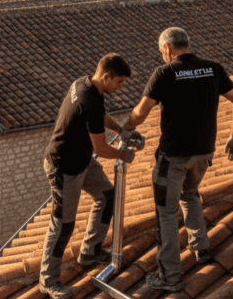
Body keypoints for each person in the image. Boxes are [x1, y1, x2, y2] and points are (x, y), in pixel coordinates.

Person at [127, 27, 233, 293]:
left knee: (166, 212)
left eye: (161, 51)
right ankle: (201, 248)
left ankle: (169, 277)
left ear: (167, 48)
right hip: (204, 153)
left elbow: (141, 112)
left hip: (174, 156)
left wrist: (125, 128)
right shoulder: (213, 68)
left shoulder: (165, 73)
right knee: (190, 194)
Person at [39, 53, 140, 299]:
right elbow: (102, 149)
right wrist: (124, 155)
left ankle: (89, 251)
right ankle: (48, 281)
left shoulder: (84, 84)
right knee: (63, 223)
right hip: (64, 166)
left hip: (82, 160)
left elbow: (99, 117)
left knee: (107, 196)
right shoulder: (89, 100)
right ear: (106, 76)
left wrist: (121, 131)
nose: (121, 87)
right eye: (119, 82)